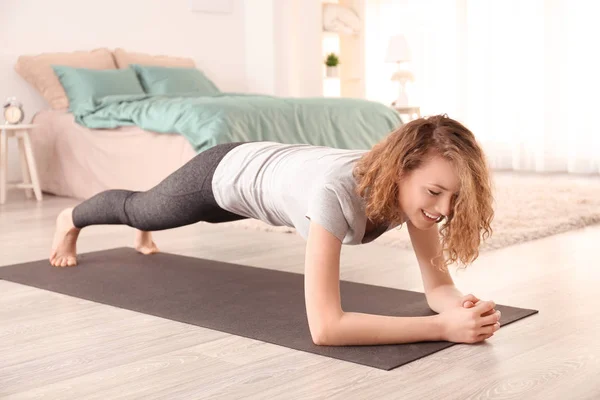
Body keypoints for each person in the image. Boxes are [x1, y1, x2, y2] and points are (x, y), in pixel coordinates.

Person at [49, 114, 500, 346]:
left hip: (271, 181)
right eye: (436, 192)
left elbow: (437, 286)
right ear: (401, 169)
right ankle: (69, 221)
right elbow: (326, 327)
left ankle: (145, 231)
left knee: (149, 215)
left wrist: (463, 307)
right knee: (141, 210)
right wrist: (442, 329)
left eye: (454, 198)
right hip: (224, 176)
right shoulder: (335, 193)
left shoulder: (413, 198)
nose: (443, 209)